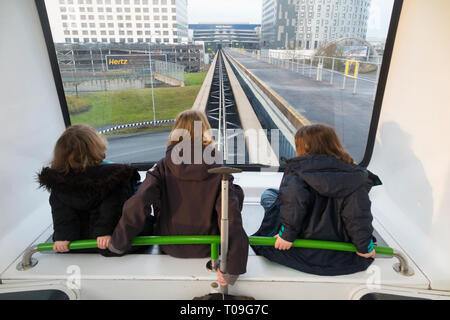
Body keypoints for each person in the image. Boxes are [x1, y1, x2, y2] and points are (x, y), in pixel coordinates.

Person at [105, 110, 249, 287]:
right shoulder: (218, 168)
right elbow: (230, 216)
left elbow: (140, 200)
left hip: (170, 246)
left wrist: (118, 244)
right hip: (208, 248)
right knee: (234, 193)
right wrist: (233, 269)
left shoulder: (163, 166)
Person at [252, 124, 382, 276]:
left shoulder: (298, 172)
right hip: (338, 249)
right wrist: (364, 247)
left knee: (269, 195)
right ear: (334, 144)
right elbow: (357, 217)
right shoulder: (355, 175)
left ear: (303, 148)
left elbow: (294, 205)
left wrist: (286, 235)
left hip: (302, 246)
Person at [37, 124, 151, 255]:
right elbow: (114, 205)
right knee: (146, 221)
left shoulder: (58, 181)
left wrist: (63, 237)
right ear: (97, 147)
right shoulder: (116, 175)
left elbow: (61, 211)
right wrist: (105, 232)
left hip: (80, 244)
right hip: (110, 240)